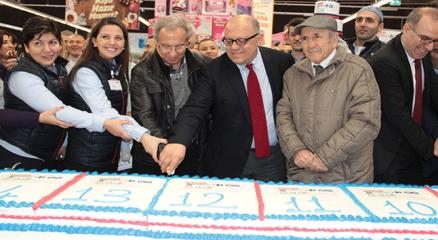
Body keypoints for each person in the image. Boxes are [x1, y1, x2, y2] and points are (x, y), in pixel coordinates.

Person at [0, 16, 162, 171]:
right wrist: (140, 135)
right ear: (27, 47)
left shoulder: (59, 70)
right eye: (38, 43)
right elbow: (61, 112)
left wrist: (63, 144)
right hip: (19, 152)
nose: (47, 49)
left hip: (48, 153)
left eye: (52, 42)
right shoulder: (22, 76)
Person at [159, 15, 293, 181]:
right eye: (228, 41)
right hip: (230, 160)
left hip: (273, 160)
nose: (234, 47)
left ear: (258, 38)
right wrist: (178, 141)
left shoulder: (280, 62)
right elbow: (194, 109)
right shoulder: (214, 71)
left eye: (241, 41)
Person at [276, 16, 381, 184]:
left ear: (334, 39)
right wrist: (297, 150)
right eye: (305, 38)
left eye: (317, 36)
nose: (310, 44)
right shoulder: (293, 74)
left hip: (346, 177)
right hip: (302, 175)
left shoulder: (358, 70)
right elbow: (284, 116)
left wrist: (325, 157)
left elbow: (366, 121)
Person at [65, 17, 167, 173]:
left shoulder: (117, 70)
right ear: (94, 41)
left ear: (124, 43)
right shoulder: (86, 73)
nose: (112, 42)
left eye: (118, 38)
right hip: (88, 156)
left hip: (111, 153)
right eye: (105, 37)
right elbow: (107, 114)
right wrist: (144, 136)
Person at [130, 15, 209, 176]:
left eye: (179, 46)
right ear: (156, 42)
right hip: (154, 153)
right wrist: (165, 150)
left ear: (188, 42)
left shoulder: (203, 64)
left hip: (193, 149)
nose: (173, 53)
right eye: (165, 46)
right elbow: (144, 115)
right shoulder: (142, 71)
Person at [369, 7, 438, 185]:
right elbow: (397, 114)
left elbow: (433, 94)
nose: (430, 47)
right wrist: (431, 147)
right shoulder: (384, 61)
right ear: (407, 29)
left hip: (415, 150)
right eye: (425, 39)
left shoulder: (421, 53)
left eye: (435, 41)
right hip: (390, 155)